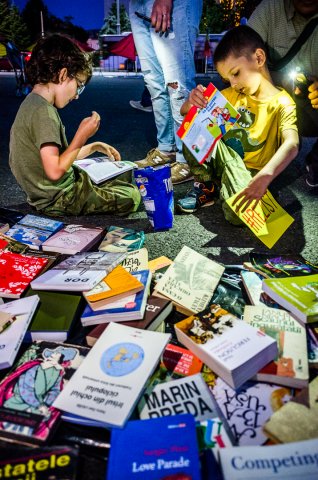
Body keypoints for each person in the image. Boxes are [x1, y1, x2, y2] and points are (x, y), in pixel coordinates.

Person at [177, 26, 299, 225]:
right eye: (227, 79)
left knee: (237, 218)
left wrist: (266, 176)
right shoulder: (231, 95)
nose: (232, 84)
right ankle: (207, 186)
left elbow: (292, 143)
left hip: (250, 172)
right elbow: (185, 111)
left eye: (236, 73)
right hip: (223, 160)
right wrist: (193, 101)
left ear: (259, 58)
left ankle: (226, 187)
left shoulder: (282, 103)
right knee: (193, 124)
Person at [9, 34, 140, 217]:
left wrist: (94, 146)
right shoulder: (44, 114)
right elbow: (55, 171)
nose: (77, 95)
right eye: (79, 86)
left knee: (121, 174)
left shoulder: (32, 104)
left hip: (46, 192)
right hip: (60, 197)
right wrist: (82, 136)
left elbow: (58, 157)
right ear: (63, 75)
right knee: (132, 195)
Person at [129, 0, 203, 184]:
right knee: (154, 82)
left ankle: (187, 159)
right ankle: (166, 148)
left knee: (177, 82)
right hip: (137, 4)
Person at [248, 0, 318, 188]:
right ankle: (263, 154)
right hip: (275, 98)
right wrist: (270, 87)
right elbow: (240, 53)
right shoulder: (269, 9)